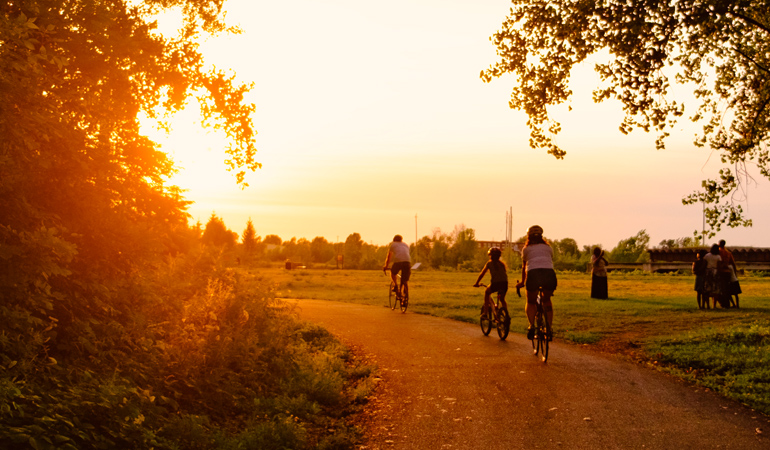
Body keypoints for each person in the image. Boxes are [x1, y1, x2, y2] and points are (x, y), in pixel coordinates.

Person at [515, 225, 556, 340]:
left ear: (528, 237)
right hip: (549, 274)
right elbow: (549, 261)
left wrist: (523, 282)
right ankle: (548, 329)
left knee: (531, 301)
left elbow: (524, 267)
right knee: (547, 300)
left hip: (533, 274)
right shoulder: (548, 248)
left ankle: (531, 326)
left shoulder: (526, 249)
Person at [473, 247, 509, 319]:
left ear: (490, 255)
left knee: (487, 292)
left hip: (495, 284)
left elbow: (482, 274)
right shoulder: (502, 264)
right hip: (505, 284)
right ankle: (506, 315)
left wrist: (477, 283)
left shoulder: (489, 263)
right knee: (502, 299)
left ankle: (485, 313)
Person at [383, 234, 411, 301]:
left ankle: (395, 286)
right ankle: (405, 294)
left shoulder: (393, 244)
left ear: (394, 240)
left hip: (398, 261)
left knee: (393, 272)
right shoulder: (406, 245)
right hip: (407, 262)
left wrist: (386, 266)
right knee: (405, 279)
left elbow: (389, 257)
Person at [718, 239, 738, 308]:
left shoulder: (718, 252)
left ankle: (724, 304)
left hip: (720, 272)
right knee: (727, 288)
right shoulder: (728, 253)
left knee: (721, 289)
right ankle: (729, 303)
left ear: (719, 244)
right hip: (727, 272)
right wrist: (735, 273)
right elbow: (733, 263)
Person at [703, 244, 722, 309]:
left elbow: (704, 264)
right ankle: (714, 305)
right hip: (715, 272)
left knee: (707, 289)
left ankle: (708, 305)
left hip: (708, 272)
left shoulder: (707, 256)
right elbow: (719, 266)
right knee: (715, 289)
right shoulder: (718, 257)